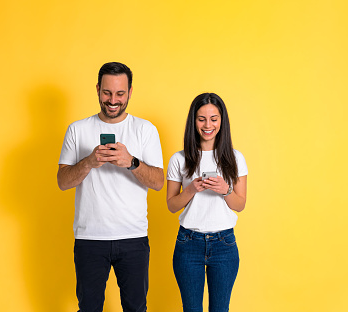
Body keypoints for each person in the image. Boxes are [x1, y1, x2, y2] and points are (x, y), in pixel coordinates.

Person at [57, 62, 164, 312]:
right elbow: (63, 181)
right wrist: (89, 162)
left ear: (130, 92)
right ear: (97, 89)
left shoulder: (145, 130)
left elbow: (158, 182)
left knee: (136, 309)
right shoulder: (77, 129)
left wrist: (131, 162)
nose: (113, 100)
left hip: (133, 237)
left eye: (120, 93)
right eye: (107, 93)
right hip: (90, 238)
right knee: (89, 308)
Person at [166, 92, 248, 312]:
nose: (208, 125)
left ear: (222, 121)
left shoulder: (235, 158)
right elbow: (172, 205)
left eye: (214, 118)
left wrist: (225, 189)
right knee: (191, 309)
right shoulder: (179, 159)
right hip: (188, 242)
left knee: (220, 309)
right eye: (201, 119)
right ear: (194, 121)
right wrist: (191, 189)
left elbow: (239, 204)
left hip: (224, 244)